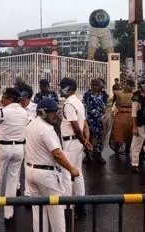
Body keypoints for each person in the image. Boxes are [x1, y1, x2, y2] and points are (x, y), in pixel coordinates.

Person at [25, 98, 80, 232]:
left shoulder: (31, 125)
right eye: (51, 112)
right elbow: (57, 154)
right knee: (57, 212)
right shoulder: (46, 129)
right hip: (46, 175)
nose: (55, 115)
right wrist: (71, 169)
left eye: (56, 111)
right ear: (43, 112)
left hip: (31, 172)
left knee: (39, 211)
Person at [0, 88, 28, 225]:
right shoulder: (24, 112)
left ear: (9, 98)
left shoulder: (2, 111)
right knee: (12, 182)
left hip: (3, 148)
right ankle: (9, 215)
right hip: (19, 148)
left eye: (3, 97)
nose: (1, 99)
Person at [60, 78, 92, 217]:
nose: (61, 90)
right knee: (78, 173)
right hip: (77, 142)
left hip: (71, 141)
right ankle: (80, 205)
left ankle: (68, 208)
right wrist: (85, 140)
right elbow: (85, 125)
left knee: (66, 174)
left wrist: (84, 141)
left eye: (63, 87)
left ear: (69, 88)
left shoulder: (69, 104)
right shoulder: (78, 102)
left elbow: (76, 127)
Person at [83, 79, 107, 165]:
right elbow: (84, 106)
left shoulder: (103, 94)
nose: (94, 87)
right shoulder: (87, 94)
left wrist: (104, 115)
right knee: (88, 137)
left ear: (100, 86)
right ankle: (87, 155)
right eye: (92, 85)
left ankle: (98, 154)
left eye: (96, 85)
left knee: (99, 138)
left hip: (99, 120)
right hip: (90, 119)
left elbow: (105, 106)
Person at [110, 79, 134, 154]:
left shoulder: (135, 94)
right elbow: (111, 102)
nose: (128, 87)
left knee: (130, 133)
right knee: (117, 134)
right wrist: (111, 110)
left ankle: (127, 148)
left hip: (131, 116)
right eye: (127, 85)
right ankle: (117, 148)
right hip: (119, 116)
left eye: (131, 86)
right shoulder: (118, 93)